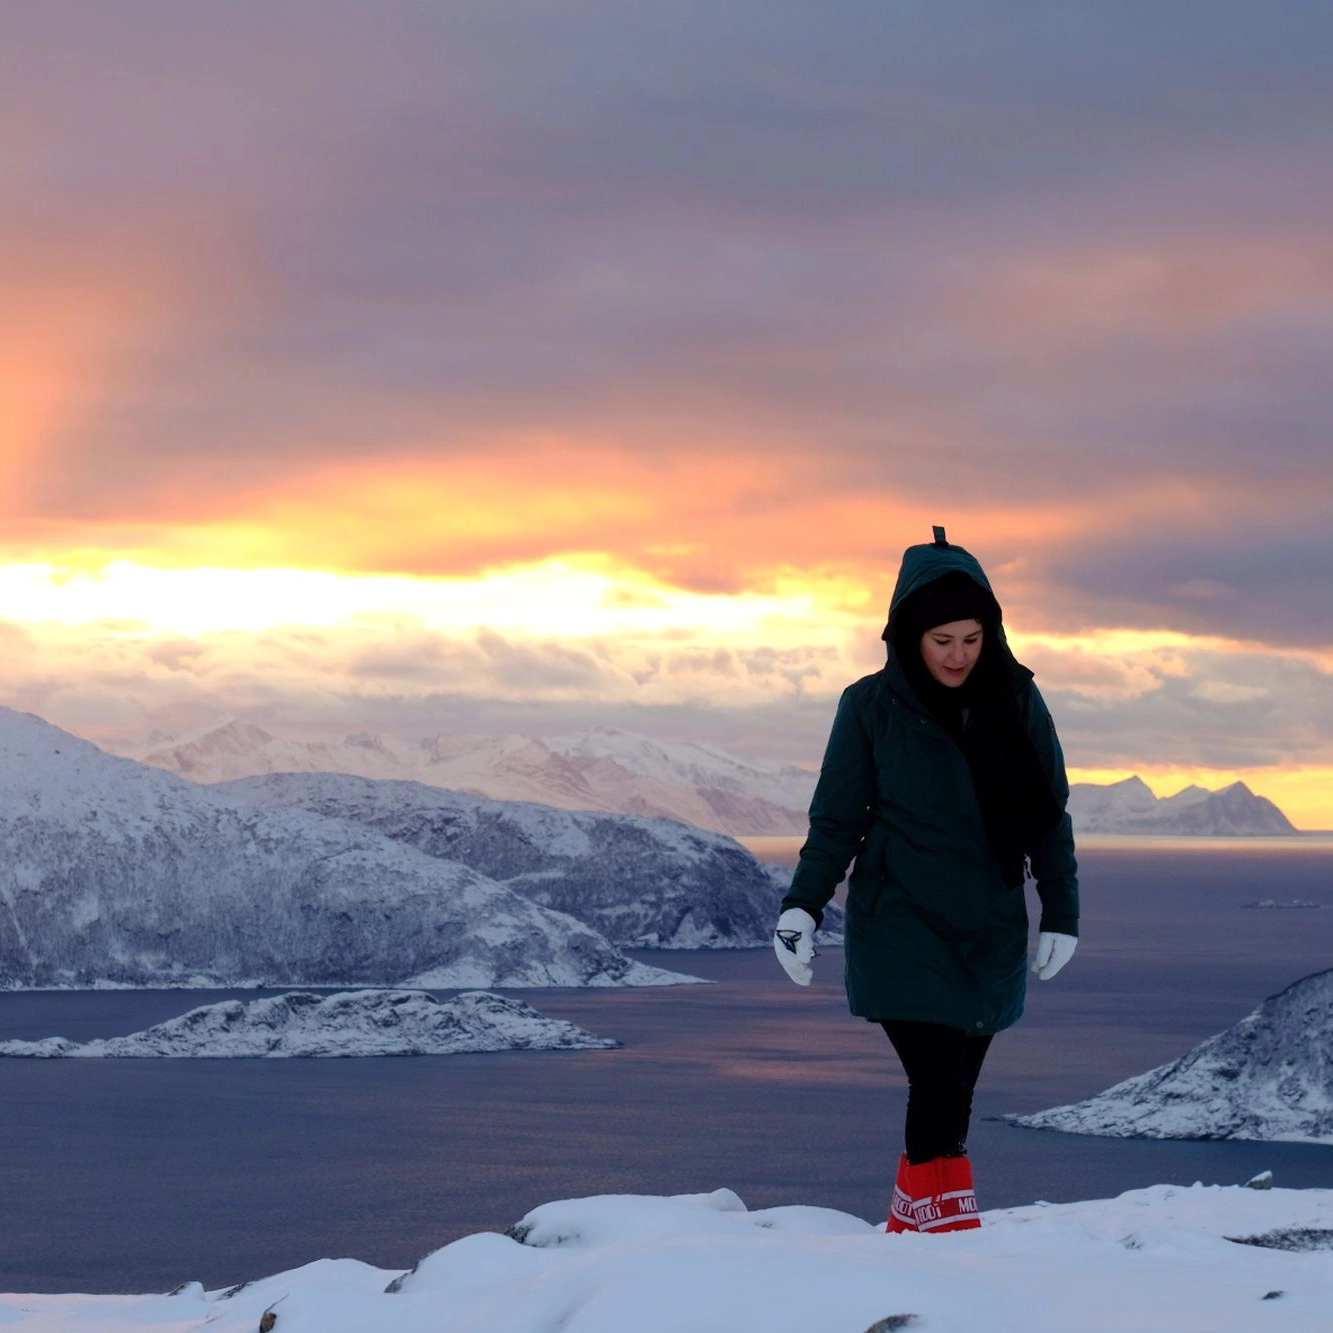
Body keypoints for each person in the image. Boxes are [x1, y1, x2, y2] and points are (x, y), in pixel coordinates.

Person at [773, 526, 1078, 1234]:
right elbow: (837, 819)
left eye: (972, 638)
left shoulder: (1017, 700)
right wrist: (802, 907)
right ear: (909, 634)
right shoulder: (869, 706)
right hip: (901, 922)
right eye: (942, 639)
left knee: (957, 1087)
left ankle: (924, 1230)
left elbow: (1047, 814)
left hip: (988, 925)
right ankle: (937, 1237)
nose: (958, 654)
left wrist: (1061, 910)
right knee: (938, 1079)